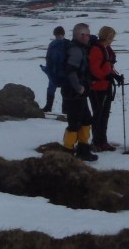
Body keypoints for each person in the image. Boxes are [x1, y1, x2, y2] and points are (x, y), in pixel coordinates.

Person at [60, 23, 97, 161]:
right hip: (73, 93)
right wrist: (79, 88)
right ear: (81, 35)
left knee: (86, 119)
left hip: (78, 93)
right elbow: (71, 71)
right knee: (74, 122)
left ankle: (83, 149)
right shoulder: (76, 51)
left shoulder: (79, 49)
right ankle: (67, 153)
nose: (89, 37)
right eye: (87, 34)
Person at [88, 26, 124, 151]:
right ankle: (96, 142)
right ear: (107, 37)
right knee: (98, 115)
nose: (112, 40)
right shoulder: (97, 49)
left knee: (104, 115)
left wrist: (115, 76)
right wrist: (106, 76)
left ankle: (102, 141)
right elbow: (95, 69)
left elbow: (107, 66)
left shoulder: (106, 48)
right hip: (97, 87)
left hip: (105, 85)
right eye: (111, 37)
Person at [40, 25, 67, 112]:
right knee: (53, 88)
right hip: (57, 70)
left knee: (61, 89)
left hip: (59, 70)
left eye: (59, 35)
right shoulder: (57, 44)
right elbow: (48, 57)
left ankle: (53, 107)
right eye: (57, 35)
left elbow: (48, 57)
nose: (58, 37)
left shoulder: (58, 44)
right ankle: (49, 107)